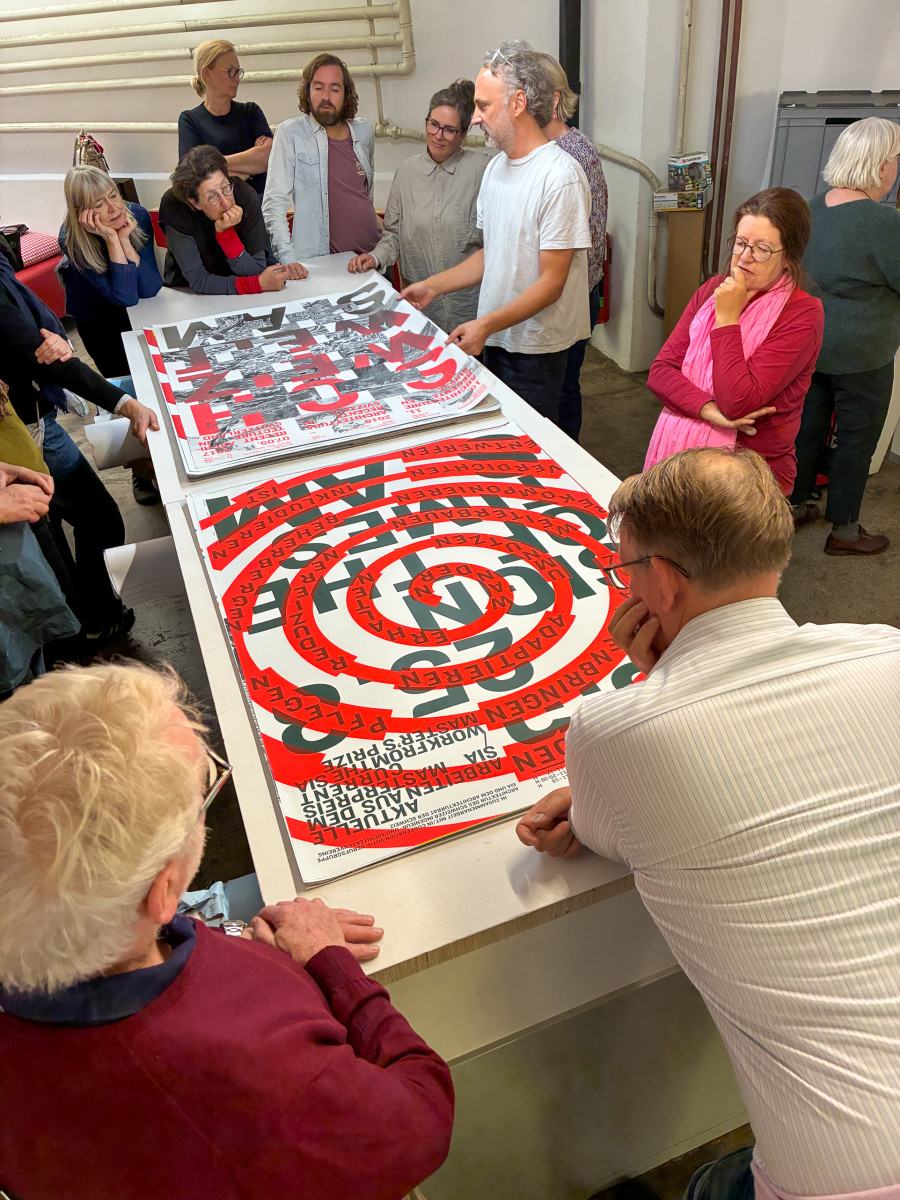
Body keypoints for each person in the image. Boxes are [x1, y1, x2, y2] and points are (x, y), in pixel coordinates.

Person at [516, 447, 900, 1200]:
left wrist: (652, 689)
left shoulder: (616, 733)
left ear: (658, 581)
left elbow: (597, 826)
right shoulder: (887, 653)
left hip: (846, 1171)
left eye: (625, 567)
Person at [0, 661, 454, 1200]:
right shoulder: (264, 1079)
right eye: (205, 792)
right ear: (163, 892)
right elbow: (422, 1116)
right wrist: (331, 966)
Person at [400, 40, 591, 429]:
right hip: (497, 337)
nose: (475, 119)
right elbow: (494, 255)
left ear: (518, 103)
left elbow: (551, 283)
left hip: (536, 349)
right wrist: (433, 286)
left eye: (483, 106)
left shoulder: (560, 175)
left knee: (533, 445)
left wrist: (485, 324)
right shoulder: (497, 169)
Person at [0, 248, 158, 643]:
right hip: (23, 425)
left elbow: (36, 333)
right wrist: (124, 403)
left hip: (32, 414)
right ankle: (95, 618)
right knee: (97, 517)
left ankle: (83, 616)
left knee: (54, 526)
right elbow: (39, 354)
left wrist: (52, 333)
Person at [645, 188, 824, 495]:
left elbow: (737, 400)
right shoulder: (714, 288)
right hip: (681, 462)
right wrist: (707, 409)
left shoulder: (802, 314)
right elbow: (661, 372)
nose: (744, 258)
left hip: (750, 478)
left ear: (788, 258)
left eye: (762, 249)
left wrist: (727, 319)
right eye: (740, 243)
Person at [789, 116, 900, 555]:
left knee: (805, 427)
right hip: (862, 353)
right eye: (895, 160)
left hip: (809, 343)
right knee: (856, 437)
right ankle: (846, 532)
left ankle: (794, 505)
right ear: (879, 166)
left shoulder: (810, 207)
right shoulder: (882, 223)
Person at [347, 79, 491, 333]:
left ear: (465, 133)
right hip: (423, 308)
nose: (438, 135)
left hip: (471, 310)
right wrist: (376, 257)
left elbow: (493, 244)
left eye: (449, 129)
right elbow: (393, 234)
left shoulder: (483, 170)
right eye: (433, 124)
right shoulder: (407, 172)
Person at [538, 52, 608, 442]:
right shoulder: (543, 153)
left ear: (551, 101)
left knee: (561, 390)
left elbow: (584, 244)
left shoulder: (573, 155)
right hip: (558, 296)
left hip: (571, 298)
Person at [263, 53, 378, 264]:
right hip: (322, 264)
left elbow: (366, 193)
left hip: (371, 259)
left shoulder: (363, 131)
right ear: (308, 91)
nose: (326, 96)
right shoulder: (290, 133)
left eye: (335, 89)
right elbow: (273, 202)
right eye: (318, 87)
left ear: (346, 94)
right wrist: (287, 259)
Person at [58, 165, 162, 379]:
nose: (114, 208)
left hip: (137, 312)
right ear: (81, 213)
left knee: (155, 377)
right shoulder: (71, 239)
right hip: (98, 321)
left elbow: (150, 288)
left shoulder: (137, 216)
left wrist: (125, 240)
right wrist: (112, 239)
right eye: (99, 204)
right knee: (123, 382)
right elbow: (125, 296)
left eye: (113, 195)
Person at [160, 145, 304, 295]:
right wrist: (256, 284)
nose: (226, 202)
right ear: (194, 202)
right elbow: (199, 280)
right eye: (212, 197)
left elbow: (256, 270)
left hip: (240, 290)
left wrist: (227, 236)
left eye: (225, 187)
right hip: (192, 294)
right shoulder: (174, 205)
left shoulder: (244, 194)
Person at [178, 39, 273, 198]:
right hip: (218, 211)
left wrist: (211, 165)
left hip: (259, 205)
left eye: (238, 71)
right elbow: (190, 177)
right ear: (206, 74)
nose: (236, 78)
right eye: (229, 71)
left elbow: (268, 157)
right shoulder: (190, 120)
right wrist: (249, 170)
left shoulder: (250, 112)